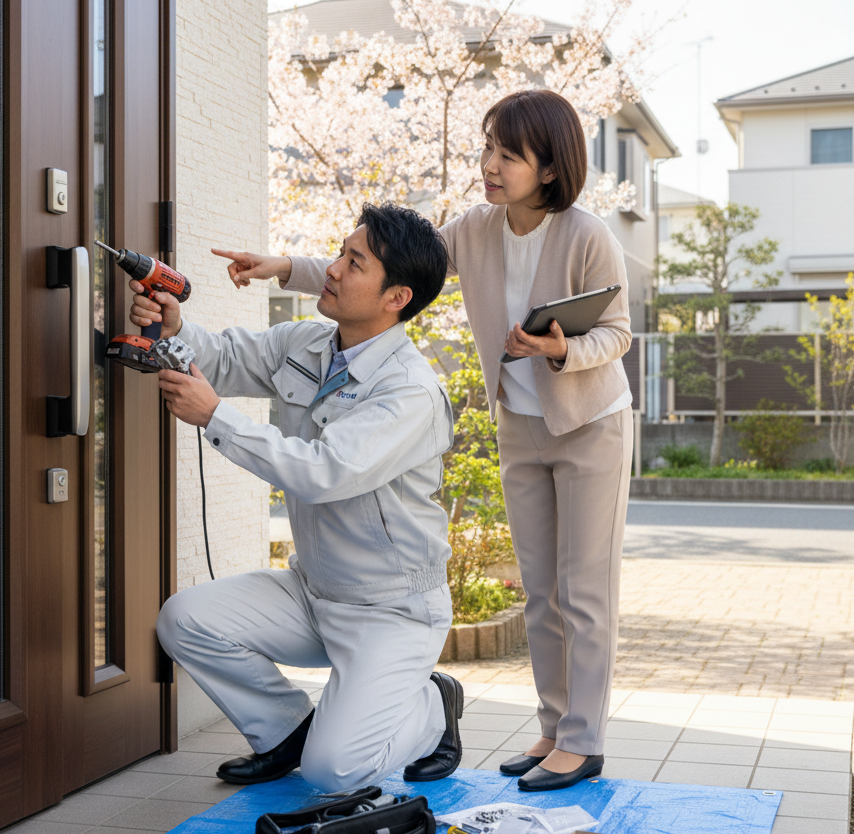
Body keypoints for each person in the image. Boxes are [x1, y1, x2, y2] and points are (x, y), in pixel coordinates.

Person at [217, 89, 633, 793]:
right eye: (488, 148)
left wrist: (561, 349)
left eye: (508, 155)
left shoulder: (588, 236)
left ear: (550, 168)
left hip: (591, 426)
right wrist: (283, 266)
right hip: (521, 425)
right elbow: (389, 268)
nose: (490, 165)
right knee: (539, 590)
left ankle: (583, 741)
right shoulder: (474, 229)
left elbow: (617, 334)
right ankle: (552, 727)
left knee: (584, 591)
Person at [142, 202, 465, 794]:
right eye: (341, 253)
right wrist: (176, 328)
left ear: (397, 297)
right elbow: (224, 358)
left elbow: (324, 471)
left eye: (354, 263)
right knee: (184, 619)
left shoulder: (410, 392)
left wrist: (215, 416)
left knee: (334, 771)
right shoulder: (307, 343)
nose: (332, 270)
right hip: (314, 592)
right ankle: (285, 731)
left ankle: (433, 708)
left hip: (390, 611)